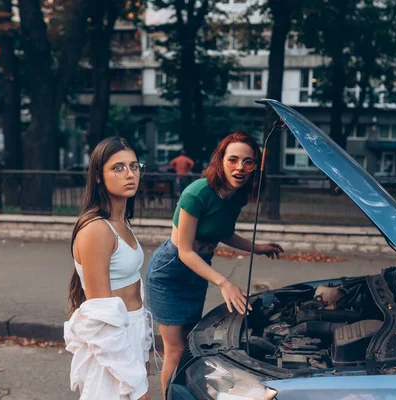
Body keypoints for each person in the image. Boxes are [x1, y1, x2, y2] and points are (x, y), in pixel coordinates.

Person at [145, 131, 284, 397]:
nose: (240, 168)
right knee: (174, 350)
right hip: (170, 274)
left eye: (248, 162)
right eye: (233, 159)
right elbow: (184, 251)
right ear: (220, 160)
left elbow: (222, 231)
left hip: (197, 274)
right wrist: (224, 282)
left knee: (189, 346)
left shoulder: (237, 195)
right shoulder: (197, 193)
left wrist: (258, 248)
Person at [64, 137, 153, 400]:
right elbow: (102, 317)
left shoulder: (121, 222)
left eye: (134, 166)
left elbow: (136, 288)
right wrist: (136, 385)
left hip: (131, 334)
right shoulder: (96, 230)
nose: (130, 174)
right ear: (99, 177)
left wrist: (144, 347)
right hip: (112, 344)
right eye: (118, 167)